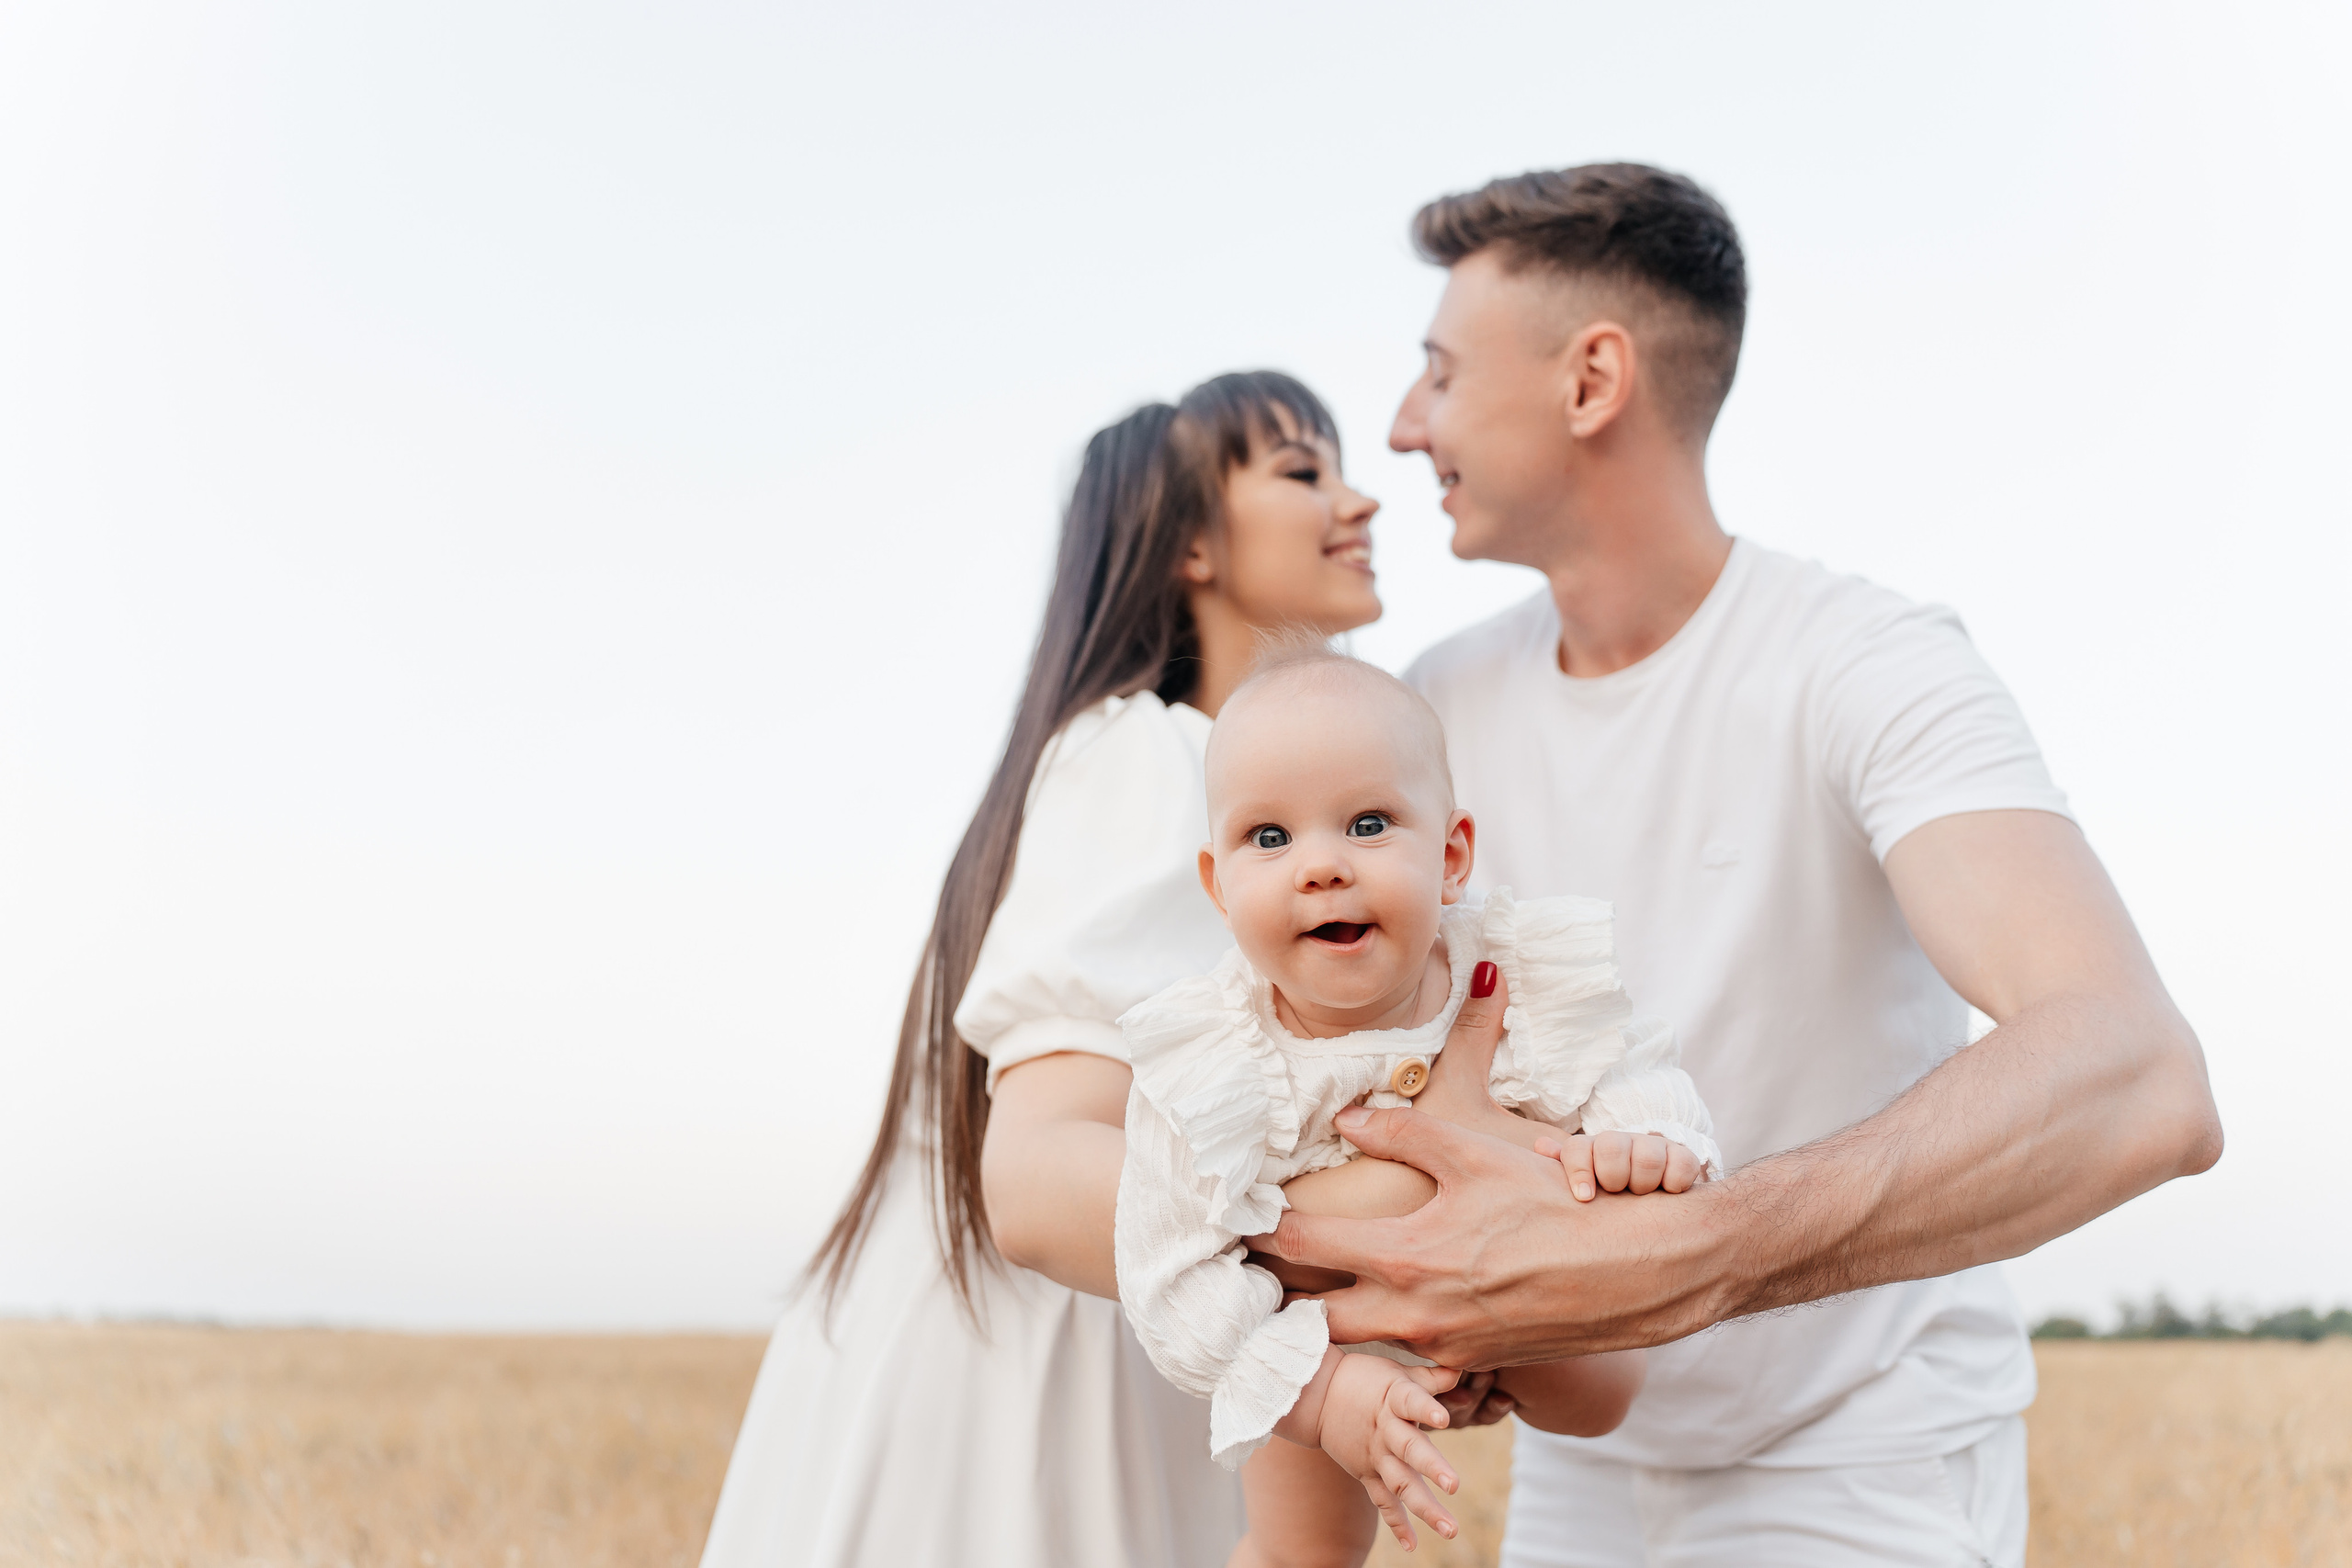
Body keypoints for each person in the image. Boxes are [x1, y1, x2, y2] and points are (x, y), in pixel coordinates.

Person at [1258, 165, 2224, 1566]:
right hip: (1586, 1472)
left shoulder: (1865, 661)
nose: (1405, 430)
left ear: (1593, 380)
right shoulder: (1434, 710)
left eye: (1441, 374)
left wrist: (1684, 1259)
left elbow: (2141, 1071)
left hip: (1864, 1460)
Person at [698, 371, 1501, 1568]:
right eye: (1302, 471)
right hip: (1022, 1389)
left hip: (1109, 1333)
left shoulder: (1226, 785)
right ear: (1189, 543)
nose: (1358, 501)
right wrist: (1393, 1245)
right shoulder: (1147, 754)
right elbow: (1033, 1177)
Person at [1114, 645, 1717, 1564]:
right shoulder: (1206, 1055)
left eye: (1366, 822)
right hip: (1314, 1332)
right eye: (1268, 838)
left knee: (1604, 1393)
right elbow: (1168, 1272)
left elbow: (1622, 1060)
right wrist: (1322, 1395)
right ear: (1217, 886)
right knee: (1298, 1551)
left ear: (1450, 855)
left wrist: (1643, 1139)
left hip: (1517, 1274)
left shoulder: (1510, 972)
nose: (1319, 866)